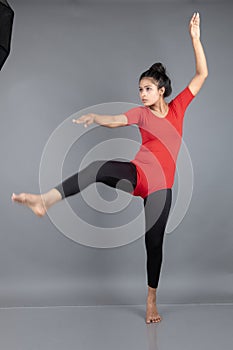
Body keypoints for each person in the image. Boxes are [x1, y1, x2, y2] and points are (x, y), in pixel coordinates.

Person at [11, 12, 208, 324]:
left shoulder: (179, 108)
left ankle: (151, 299)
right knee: (97, 169)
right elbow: (118, 120)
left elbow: (201, 74)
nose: (141, 94)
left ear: (161, 90)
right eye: (139, 89)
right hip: (137, 175)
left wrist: (195, 39)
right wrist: (97, 118)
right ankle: (44, 199)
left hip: (161, 188)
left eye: (146, 89)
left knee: (154, 244)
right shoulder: (141, 114)